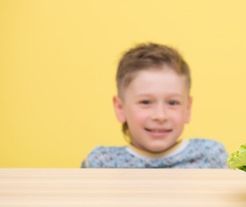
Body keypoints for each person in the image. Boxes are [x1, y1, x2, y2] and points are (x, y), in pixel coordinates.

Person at [81, 42, 228, 168]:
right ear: (120, 108)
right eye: (145, 102)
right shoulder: (102, 163)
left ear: (187, 108)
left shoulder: (211, 157)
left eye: (172, 103)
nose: (160, 116)